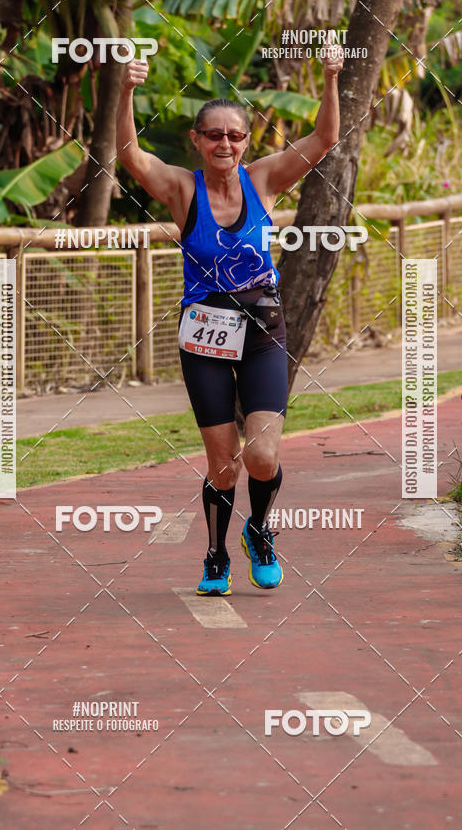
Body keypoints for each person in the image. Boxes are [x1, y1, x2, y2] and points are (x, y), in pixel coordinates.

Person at [117, 43, 343, 595]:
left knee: (262, 455)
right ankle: (216, 555)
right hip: (204, 336)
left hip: (263, 329)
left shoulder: (262, 179)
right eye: (213, 134)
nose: (224, 143)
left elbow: (323, 140)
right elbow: (129, 154)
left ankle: (260, 531)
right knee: (224, 464)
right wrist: (125, 90)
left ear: (247, 141)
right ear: (197, 140)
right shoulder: (180, 188)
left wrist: (331, 76)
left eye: (235, 135)